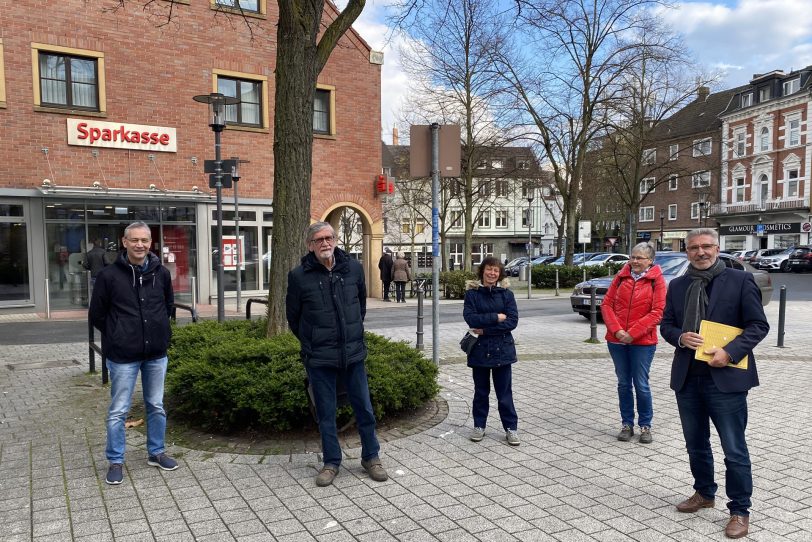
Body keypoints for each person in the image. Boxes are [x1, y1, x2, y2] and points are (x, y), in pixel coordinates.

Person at [660, 228, 769, 539]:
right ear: (687, 252)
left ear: (718, 248)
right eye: (694, 247)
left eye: (707, 246)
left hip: (726, 379)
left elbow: (758, 325)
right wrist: (679, 337)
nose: (701, 252)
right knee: (696, 445)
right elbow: (666, 324)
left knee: (734, 449)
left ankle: (739, 510)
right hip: (688, 378)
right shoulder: (679, 285)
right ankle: (704, 493)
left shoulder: (740, 280)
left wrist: (730, 352)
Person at [286, 222, 388, 487]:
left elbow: (360, 306)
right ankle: (331, 462)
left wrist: (351, 336)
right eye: (319, 240)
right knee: (326, 413)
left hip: (353, 354)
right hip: (320, 359)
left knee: (364, 408)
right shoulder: (299, 276)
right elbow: (293, 318)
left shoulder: (353, 269)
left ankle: (371, 457)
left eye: (329, 238)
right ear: (310, 245)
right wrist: (311, 343)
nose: (325, 243)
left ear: (336, 240)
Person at [89, 221, 178, 486]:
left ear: (151, 243)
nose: (140, 245)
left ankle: (156, 452)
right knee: (119, 410)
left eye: (145, 240)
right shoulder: (109, 276)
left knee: (156, 405)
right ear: (124, 242)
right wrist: (118, 335)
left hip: (155, 353)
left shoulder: (161, 273)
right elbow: (97, 315)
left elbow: (168, 306)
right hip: (123, 355)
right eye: (134, 240)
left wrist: (162, 333)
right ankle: (116, 460)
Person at [601, 242, 666, 444]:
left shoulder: (657, 281)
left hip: (643, 342)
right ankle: (626, 424)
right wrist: (617, 330)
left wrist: (633, 333)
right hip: (617, 340)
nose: (635, 261)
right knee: (623, 383)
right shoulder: (620, 278)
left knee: (641, 384)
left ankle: (645, 426)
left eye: (640, 258)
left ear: (650, 260)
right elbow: (606, 304)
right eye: (633, 257)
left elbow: (657, 312)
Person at [463, 256, 520, 446]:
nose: (492, 273)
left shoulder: (507, 294)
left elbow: (512, 322)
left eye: (496, 270)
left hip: (502, 350)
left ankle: (511, 428)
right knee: (481, 392)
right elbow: (471, 319)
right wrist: (497, 317)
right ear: (482, 271)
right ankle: (479, 425)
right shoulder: (472, 294)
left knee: (504, 394)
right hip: (479, 350)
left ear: (499, 273)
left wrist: (486, 329)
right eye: (489, 269)